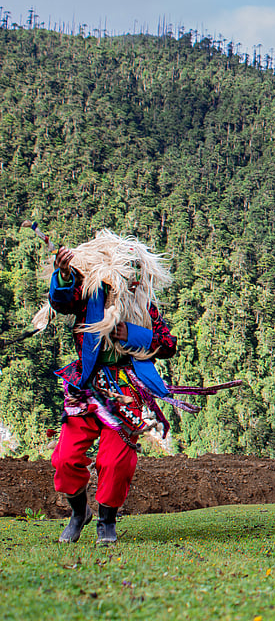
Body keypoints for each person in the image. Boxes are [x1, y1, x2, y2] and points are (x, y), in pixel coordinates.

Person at [37, 230, 179, 544]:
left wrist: (132, 333)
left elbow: (168, 344)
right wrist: (63, 275)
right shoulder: (90, 295)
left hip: (125, 393)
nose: (129, 280)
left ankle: (106, 521)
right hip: (86, 389)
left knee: (115, 461)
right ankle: (79, 513)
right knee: (64, 458)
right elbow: (62, 301)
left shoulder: (144, 309)